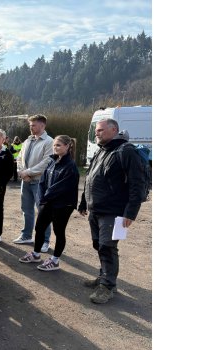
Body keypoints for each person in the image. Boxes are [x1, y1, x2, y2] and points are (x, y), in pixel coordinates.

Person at [78, 118, 147, 304]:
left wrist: (130, 213)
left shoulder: (126, 151)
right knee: (98, 244)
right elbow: (91, 178)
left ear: (114, 129)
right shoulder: (102, 150)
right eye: (96, 131)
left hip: (114, 211)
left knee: (108, 247)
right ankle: (104, 277)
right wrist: (84, 202)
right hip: (96, 209)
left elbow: (138, 184)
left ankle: (108, 286)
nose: (96, 134)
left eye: (100, 130)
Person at [17, 135, 79, 272]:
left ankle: (55, 260)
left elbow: (61, 187)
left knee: (59, 231)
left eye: (58, 145)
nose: (55, 148)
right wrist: (42, 197)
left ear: (68, 146)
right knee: (39, 228)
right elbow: (43, 181)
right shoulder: (52, 161)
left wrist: (45, 197)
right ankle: (36, 254)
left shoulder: (71, 166)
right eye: (54, 145)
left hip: (63, 205)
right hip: (48, 202)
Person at [14, 115, 54, 251]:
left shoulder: (49, 142)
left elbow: (47, 162)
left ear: (43, 126)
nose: (30, 127)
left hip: (39, 183)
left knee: (43, 212)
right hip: (25, 181)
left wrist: (28, 172)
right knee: (26, 210)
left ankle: (45, 240)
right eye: (30, 125)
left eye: (33, 125)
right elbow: (19, 158)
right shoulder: (27, 141)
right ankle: (26, 235)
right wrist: (21, 172)